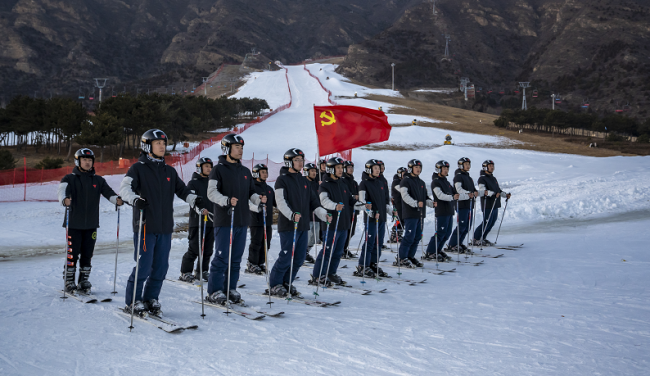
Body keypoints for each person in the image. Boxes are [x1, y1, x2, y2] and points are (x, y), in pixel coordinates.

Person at [120, 129, 200, 316]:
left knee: (161, 267)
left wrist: (195, 200)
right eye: (158, 143)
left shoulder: (169, 171)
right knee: (143, 266)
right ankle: (133, 301)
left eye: (164, 143)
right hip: (145, 226)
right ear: (147, 146)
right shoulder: (137, 168)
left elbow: (183, 191)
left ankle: (150, 298)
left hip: (164, 228)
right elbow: (124, 189)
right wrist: (134, 199)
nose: (162, 146)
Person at [205, 134, 264, 305]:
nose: (240, 150)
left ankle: (229, 288)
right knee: (222, 257)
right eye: (237, 147)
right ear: (227, 148)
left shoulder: (245, 171)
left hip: (241, 220)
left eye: (242, 147)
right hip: (225, 221)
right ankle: (214, 290)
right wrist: (225, 200)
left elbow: (251, 193)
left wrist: (258, 200)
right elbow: (211, 192)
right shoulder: (218, 169)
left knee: (236, 259)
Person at [58, 148, 123, 294]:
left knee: (88, 253)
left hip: (91, 224)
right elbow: (62, 191)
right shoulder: (69, 179)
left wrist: (116, 200)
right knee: (72, 253)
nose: (87, 163)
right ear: (77, 161)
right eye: (84, 160)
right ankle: (69, 281)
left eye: (90, 160)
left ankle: (83, 281)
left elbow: (109, 193)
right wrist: (64, 200)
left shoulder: (98, 180)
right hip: (74, 224)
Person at [269, 149, 329, 297]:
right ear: (289, 161)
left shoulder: (304, 180)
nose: (300, 163)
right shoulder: (281, 179)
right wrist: (291, 215)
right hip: (289, 225)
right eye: (297, 160)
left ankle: (287, 282)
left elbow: (314, 202)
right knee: (286, 255)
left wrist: (324, 214)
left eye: (301, 160)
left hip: (302, 225)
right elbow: (280, 201)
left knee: (300, 257)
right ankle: (275, 284)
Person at [312, 157, 363, 286]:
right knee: (327, 251)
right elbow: (323, 201)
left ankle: (331, 273)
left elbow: (350, 201)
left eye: (342, 167)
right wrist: (334, 206)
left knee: (338, 251)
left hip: (343, 224)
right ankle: (318, 275)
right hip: (331, 224)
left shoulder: (343, 184)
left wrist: (361, 205)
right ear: (330, 169)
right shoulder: (324, 185)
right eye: (338, 168)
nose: (341, 170)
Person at [355, 159, 393, 278]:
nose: (378, 170)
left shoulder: (381, 182)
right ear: (369, 169)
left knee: (379, 242)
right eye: (375, 168)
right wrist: (370, 213)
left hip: (381, 217)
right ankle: (363, 265)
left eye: (379, 168)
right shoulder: (364, 183)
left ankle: (373, 263)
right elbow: (362, 202)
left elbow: (384, 202)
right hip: (371, 218)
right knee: (370, 242)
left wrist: (391, 211)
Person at [179, 157, 214, 283]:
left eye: (210, 167)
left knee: (208, 249)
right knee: (195, 248)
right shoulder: (193, 183)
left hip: (210, 220)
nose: (209, 169)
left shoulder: (212, 183)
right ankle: (185, 272)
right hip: (197, 221)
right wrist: (200, 208)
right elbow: (192, 200)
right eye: (206, 166)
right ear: (199, 168)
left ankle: (202, 271)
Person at [396, 159, 434, 268]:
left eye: (419, 167)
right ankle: (402, 258)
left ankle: (410, 256)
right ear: (410, 168)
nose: (418, 169)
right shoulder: (405, 180)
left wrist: (431, 203)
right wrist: (415, 203)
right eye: (416, 167)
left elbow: (425, 198)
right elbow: (405, 196)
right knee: (409, 236)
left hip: (420, 214)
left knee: (417, 237)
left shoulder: (421, 182)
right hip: (410, 213)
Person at [472, 160, 511, 246]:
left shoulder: (493, 178)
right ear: (485, 167)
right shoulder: (482, 178)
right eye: (490, 166)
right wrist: (493, 194)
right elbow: (483, 190)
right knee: (486, 222)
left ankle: (483, 238)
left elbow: (498, 190)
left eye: (492, 166)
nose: (492, 167)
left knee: (492, 222)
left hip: (495, 203)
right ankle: (476, 238)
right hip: (488, 204)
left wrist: (505, 195)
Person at [424, 160, 457, 261]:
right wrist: (452, 197)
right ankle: (430, 251)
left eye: (447, 169)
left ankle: (438, 249)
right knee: (440, 232)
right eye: (444, 169)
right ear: (438, 169)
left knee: (447, 233)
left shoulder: (446, 181)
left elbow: (454, 193)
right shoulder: (436, 182)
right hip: (442, 210)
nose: (446, 170)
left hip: (449, 210)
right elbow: (439, 195)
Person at [246, 163, 276, 274]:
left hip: (267, 221)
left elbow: (275, 203)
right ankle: (252, 263)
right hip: (256, 220)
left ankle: (260, 262)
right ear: (256, 173)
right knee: (256, 243)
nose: (265, 174)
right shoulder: (252, 188)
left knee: (266, 243)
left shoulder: (269, 189)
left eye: (266, 172)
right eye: (262, 172)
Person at [448, 157, 478, 253]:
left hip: (469, 204)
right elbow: (458, 189)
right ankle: (452, 245)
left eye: (469, 164)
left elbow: (473, 189)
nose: (468, 166)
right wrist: (469, 193)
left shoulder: (469, 177)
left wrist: (475, 192)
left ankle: (459, 243)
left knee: (468, 226)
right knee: (461, 225)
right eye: (466, 164)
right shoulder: (458, 176)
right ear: (461, 165)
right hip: (461, 204)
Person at [341, 160, 359, 259]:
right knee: (346, 230)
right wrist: (353, 196)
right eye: (348, 167)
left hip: (353, 208)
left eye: (352, 167)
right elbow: (345, 194)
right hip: (345, 209)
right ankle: (341, 249)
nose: (351, 169)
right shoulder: (342, 180)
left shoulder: (354, 182)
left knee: (351, 231)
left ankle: (344, 248)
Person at [303, 162, 320, 264]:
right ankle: (301, 252)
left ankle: (306, 252)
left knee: (315, 237)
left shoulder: (317, 183)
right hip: (307, 214)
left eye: (315, 171)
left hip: (316, 213)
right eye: (312, 171)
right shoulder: (303, 182)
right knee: (307, 235)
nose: (314, 173)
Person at [389, 167, 407, 243]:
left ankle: (398, 234)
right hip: (398, 203)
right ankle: (394, 235)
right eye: (403, 174)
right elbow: (401, 190)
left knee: (402, 220)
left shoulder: (404, 181)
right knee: (399, 219)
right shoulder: (396, 182)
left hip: (403, 203)